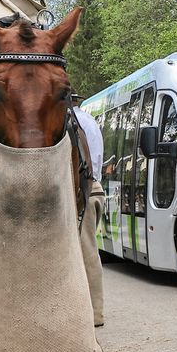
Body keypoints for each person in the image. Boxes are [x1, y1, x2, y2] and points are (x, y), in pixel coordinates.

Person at [73, 99, 106, 327]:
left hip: (83, 190)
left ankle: (94, 314)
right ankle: (93, 311)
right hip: (96, 189)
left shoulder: (72, 122)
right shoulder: (89, 121)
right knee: (89, 251)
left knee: (86, 253)